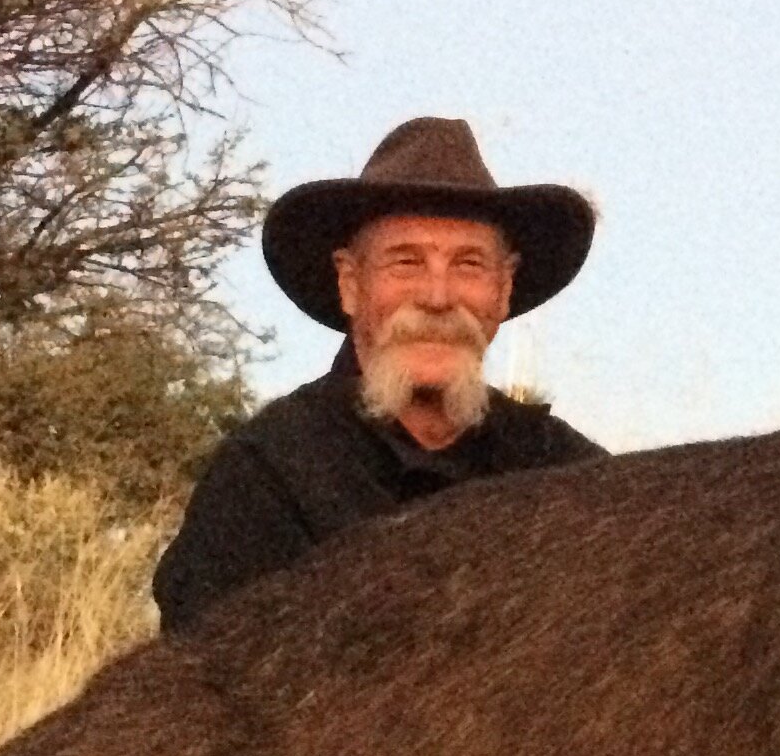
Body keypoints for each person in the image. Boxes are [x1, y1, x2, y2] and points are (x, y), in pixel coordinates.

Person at [152, 116, 602, 633]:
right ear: (350, 284)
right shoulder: (269, 473)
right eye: (406, 263)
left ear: (503, 291)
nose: (437, 297)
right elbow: (204, 688)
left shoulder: (567, 472)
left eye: (469, 265)